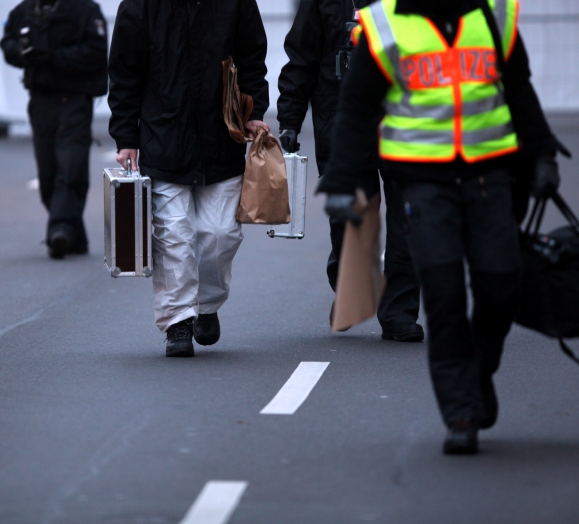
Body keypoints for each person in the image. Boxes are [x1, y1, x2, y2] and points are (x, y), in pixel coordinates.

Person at [321, 0, 567, 454]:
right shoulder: (385, 26)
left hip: (490, 177)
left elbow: (518, 89)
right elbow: (355, 108)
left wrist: (543, 155)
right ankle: (461, 410)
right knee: (444, 291)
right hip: (422, 181)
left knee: (500, 283)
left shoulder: (494, 17)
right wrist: (340, 182)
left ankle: (477, 374)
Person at [108, 0, 270, 357]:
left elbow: (252, 57)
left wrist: (254, 111)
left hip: (221, 139)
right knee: (174, 233)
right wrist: (125, 138)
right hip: (164, 137)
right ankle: (178, 321)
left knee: (220, 234)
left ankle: (206, 306)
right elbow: (125, 71)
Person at [278, 0, 424, 342]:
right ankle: (348, 286)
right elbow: (302, 58)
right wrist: (290, 119)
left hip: (405, 123)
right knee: (350, 221)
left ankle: (400, 313)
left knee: (409, 221)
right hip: (343, 124)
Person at [0, 0, 108, 259]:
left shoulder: (85, 10)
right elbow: (7, 44)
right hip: (41, 99)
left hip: (74, 99)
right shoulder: (24, 11)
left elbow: (96, 51)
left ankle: (59, 229)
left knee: (70, 166)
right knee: (48, 172)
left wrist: (54, 58)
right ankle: (74, 236)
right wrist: (24, 52)